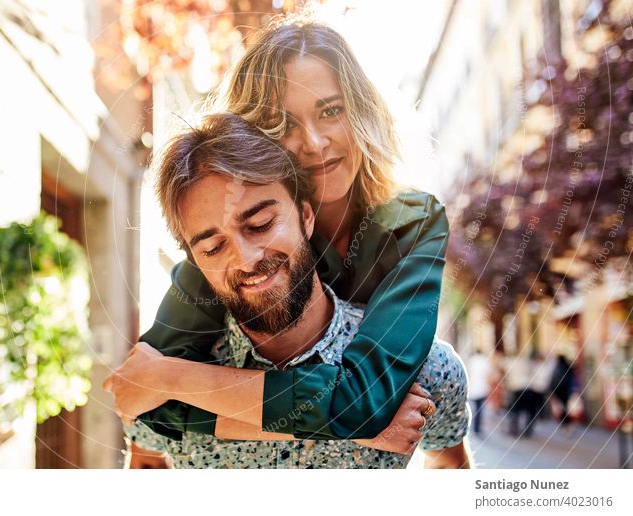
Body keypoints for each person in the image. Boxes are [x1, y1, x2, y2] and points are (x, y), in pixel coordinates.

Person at [106, 16, 450, 445]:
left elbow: (363, 401)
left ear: (360, 110)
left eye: (331, 110)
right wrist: (351, 429)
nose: (313, 142)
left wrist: (172, 376)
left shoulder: (414, 224)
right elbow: (148, 403)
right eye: (283, 123)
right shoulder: (229, 243)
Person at [106, 114, 471, 468]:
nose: (246, 260)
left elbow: (449, 468)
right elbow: (146, 462)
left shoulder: (426, 373)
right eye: (213, 248)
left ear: (307, 216)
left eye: (261, 224)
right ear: (195, 265)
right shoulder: (153, 378)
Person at [466, 348, 492, 436]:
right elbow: (488, 375)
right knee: (480, 408)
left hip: (474, 387)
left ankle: (474, 427)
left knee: (475, 408)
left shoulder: (471, 361)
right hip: (482, 387)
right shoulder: (485, 361)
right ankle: (477, 428)